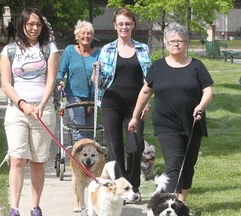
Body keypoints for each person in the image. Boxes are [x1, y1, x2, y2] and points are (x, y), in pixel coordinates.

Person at [128, 22, 214, 203]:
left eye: (180, 41)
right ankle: (171, 206)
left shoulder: (197, 66)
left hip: (192, 122)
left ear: (186, 43)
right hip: (166, 124)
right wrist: (135, 116)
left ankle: (180, 203)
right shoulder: (158, 67)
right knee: (174, 163)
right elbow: (145, 92)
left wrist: (200, 106)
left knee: (188, 165)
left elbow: (208, 90)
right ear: (166, 44)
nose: (176, 44)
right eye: (172, 41)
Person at [0, 8, 59, 216]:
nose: (34, 28)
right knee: (16, 158)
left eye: (38, 24)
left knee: (37, 161)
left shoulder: (49, 48)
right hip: (17, 111)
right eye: (30, 24)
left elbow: (51, 79)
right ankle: (14, 208)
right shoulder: (9, 51)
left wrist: (42, 104)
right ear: (22, 25)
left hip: (43, 110)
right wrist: (22, 104)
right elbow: (6, 84)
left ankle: (35, 207)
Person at [91, 7, 151, 201]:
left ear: (133, 25)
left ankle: (133, 185)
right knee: (115, 147)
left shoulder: (143, 48)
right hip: (111, 103)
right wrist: (95, 74)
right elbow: (97, 81)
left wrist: (147, 103)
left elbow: (149, 81)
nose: (124, 27)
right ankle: (120, 189)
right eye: (120, 24)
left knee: (135, 148)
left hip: (136, 105)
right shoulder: (107, 49)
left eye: (128, 23)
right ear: (115, 26)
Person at [56, 20, 101, 142]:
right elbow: (60, 70)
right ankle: (78, 158)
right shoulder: (70, 51)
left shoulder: (99, 53)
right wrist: (59, 81)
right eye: (83, 33)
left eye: (89, 33)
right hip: (74, 94)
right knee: (80, 127)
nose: (86, 36)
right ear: (77, 36)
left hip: (93, 96)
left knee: (91, 131)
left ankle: (88, 159)